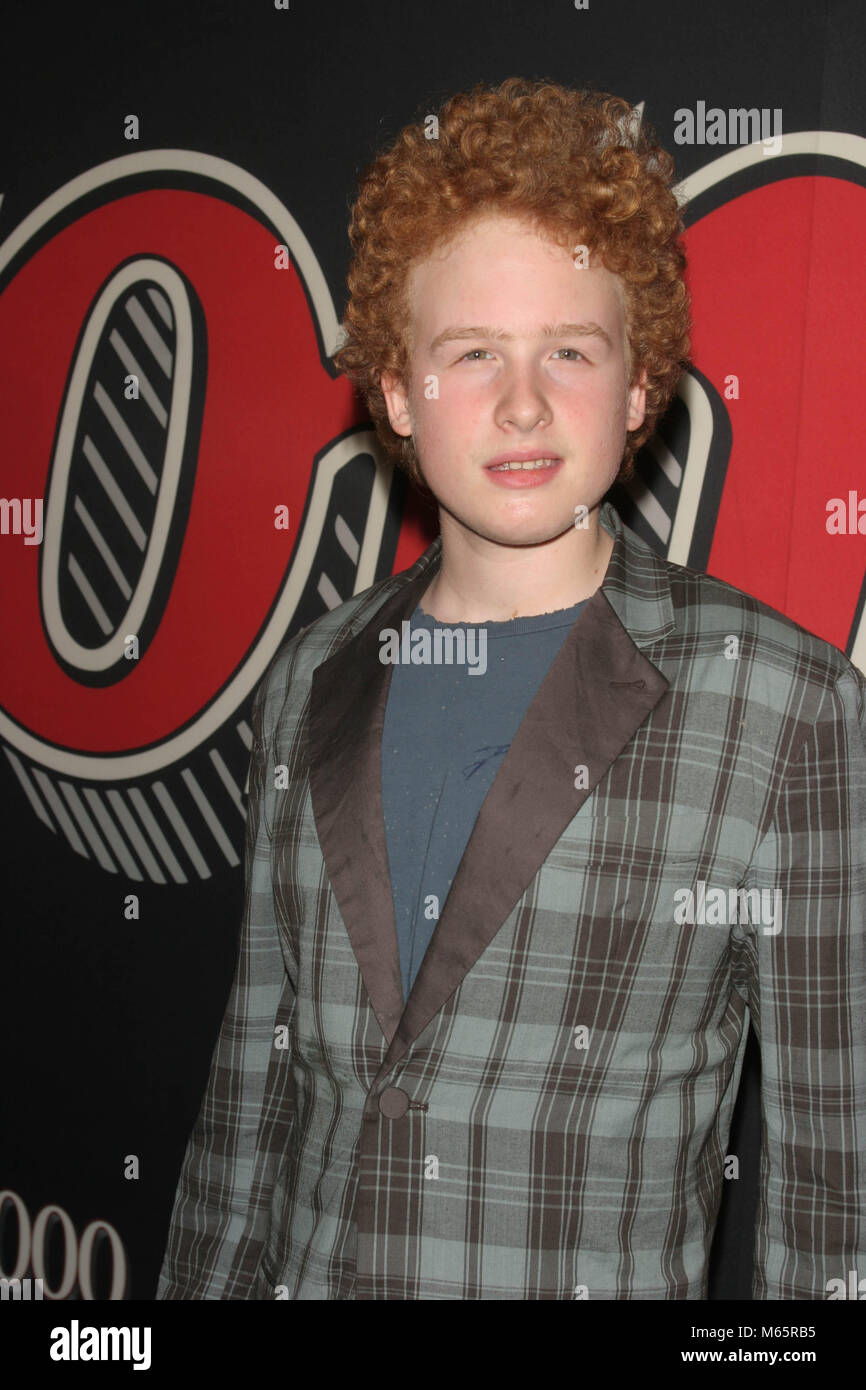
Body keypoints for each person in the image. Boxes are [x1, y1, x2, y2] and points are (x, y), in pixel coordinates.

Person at [156, 77, 865, 1300]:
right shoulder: (309, 678)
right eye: (470, 352)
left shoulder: (782, 710)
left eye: (569, 352)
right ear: (393, 389)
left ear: (638, 388)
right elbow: (246, 1105)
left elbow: (831, 1194)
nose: (523, 401)